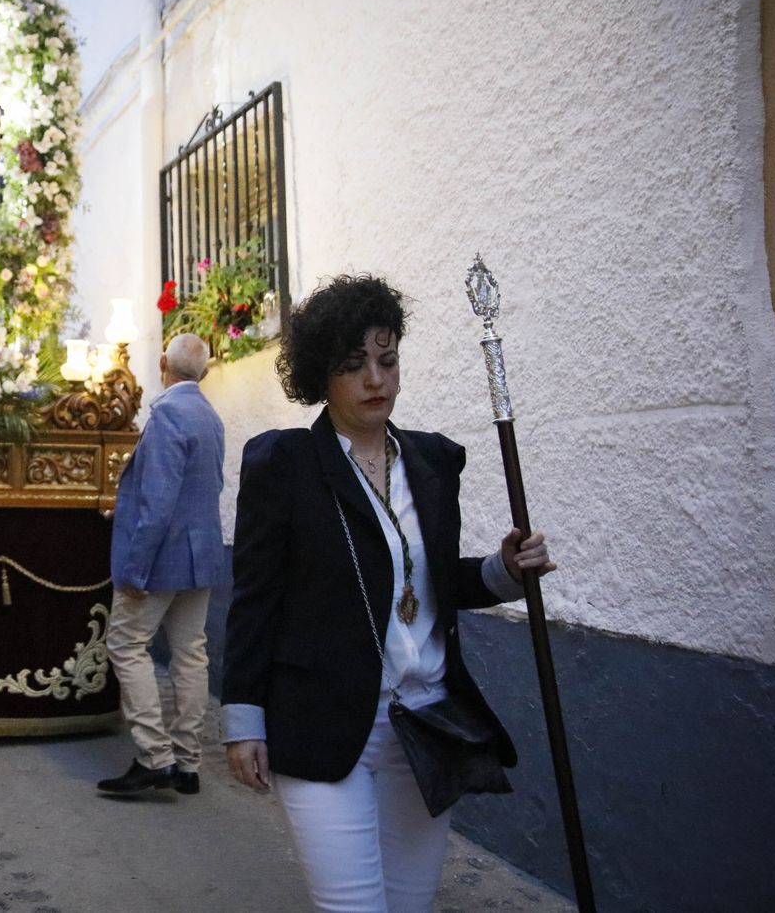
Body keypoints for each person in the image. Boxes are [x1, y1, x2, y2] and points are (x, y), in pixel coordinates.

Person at [221, 274, 556, 912]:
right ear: (323, 375)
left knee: (409, 905)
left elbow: (428, 583)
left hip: (426, 724)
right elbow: (255, 599)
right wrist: (243, 720)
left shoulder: (431, 463)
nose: (375, 378)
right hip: (321, 723)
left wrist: (504, 570)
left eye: (387, 359)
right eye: (354, 365)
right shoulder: (284, 466)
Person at [97, 333, 227, 796]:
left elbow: (158, 501)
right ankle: (188, 763)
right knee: (191, 652)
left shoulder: (169, 413)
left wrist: (134, 568)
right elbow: (201, 487)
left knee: (127, 644)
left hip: (163, 556)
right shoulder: (210, 416)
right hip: (203, 552)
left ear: (160, 364)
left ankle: (154, 756)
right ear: (204, 373)